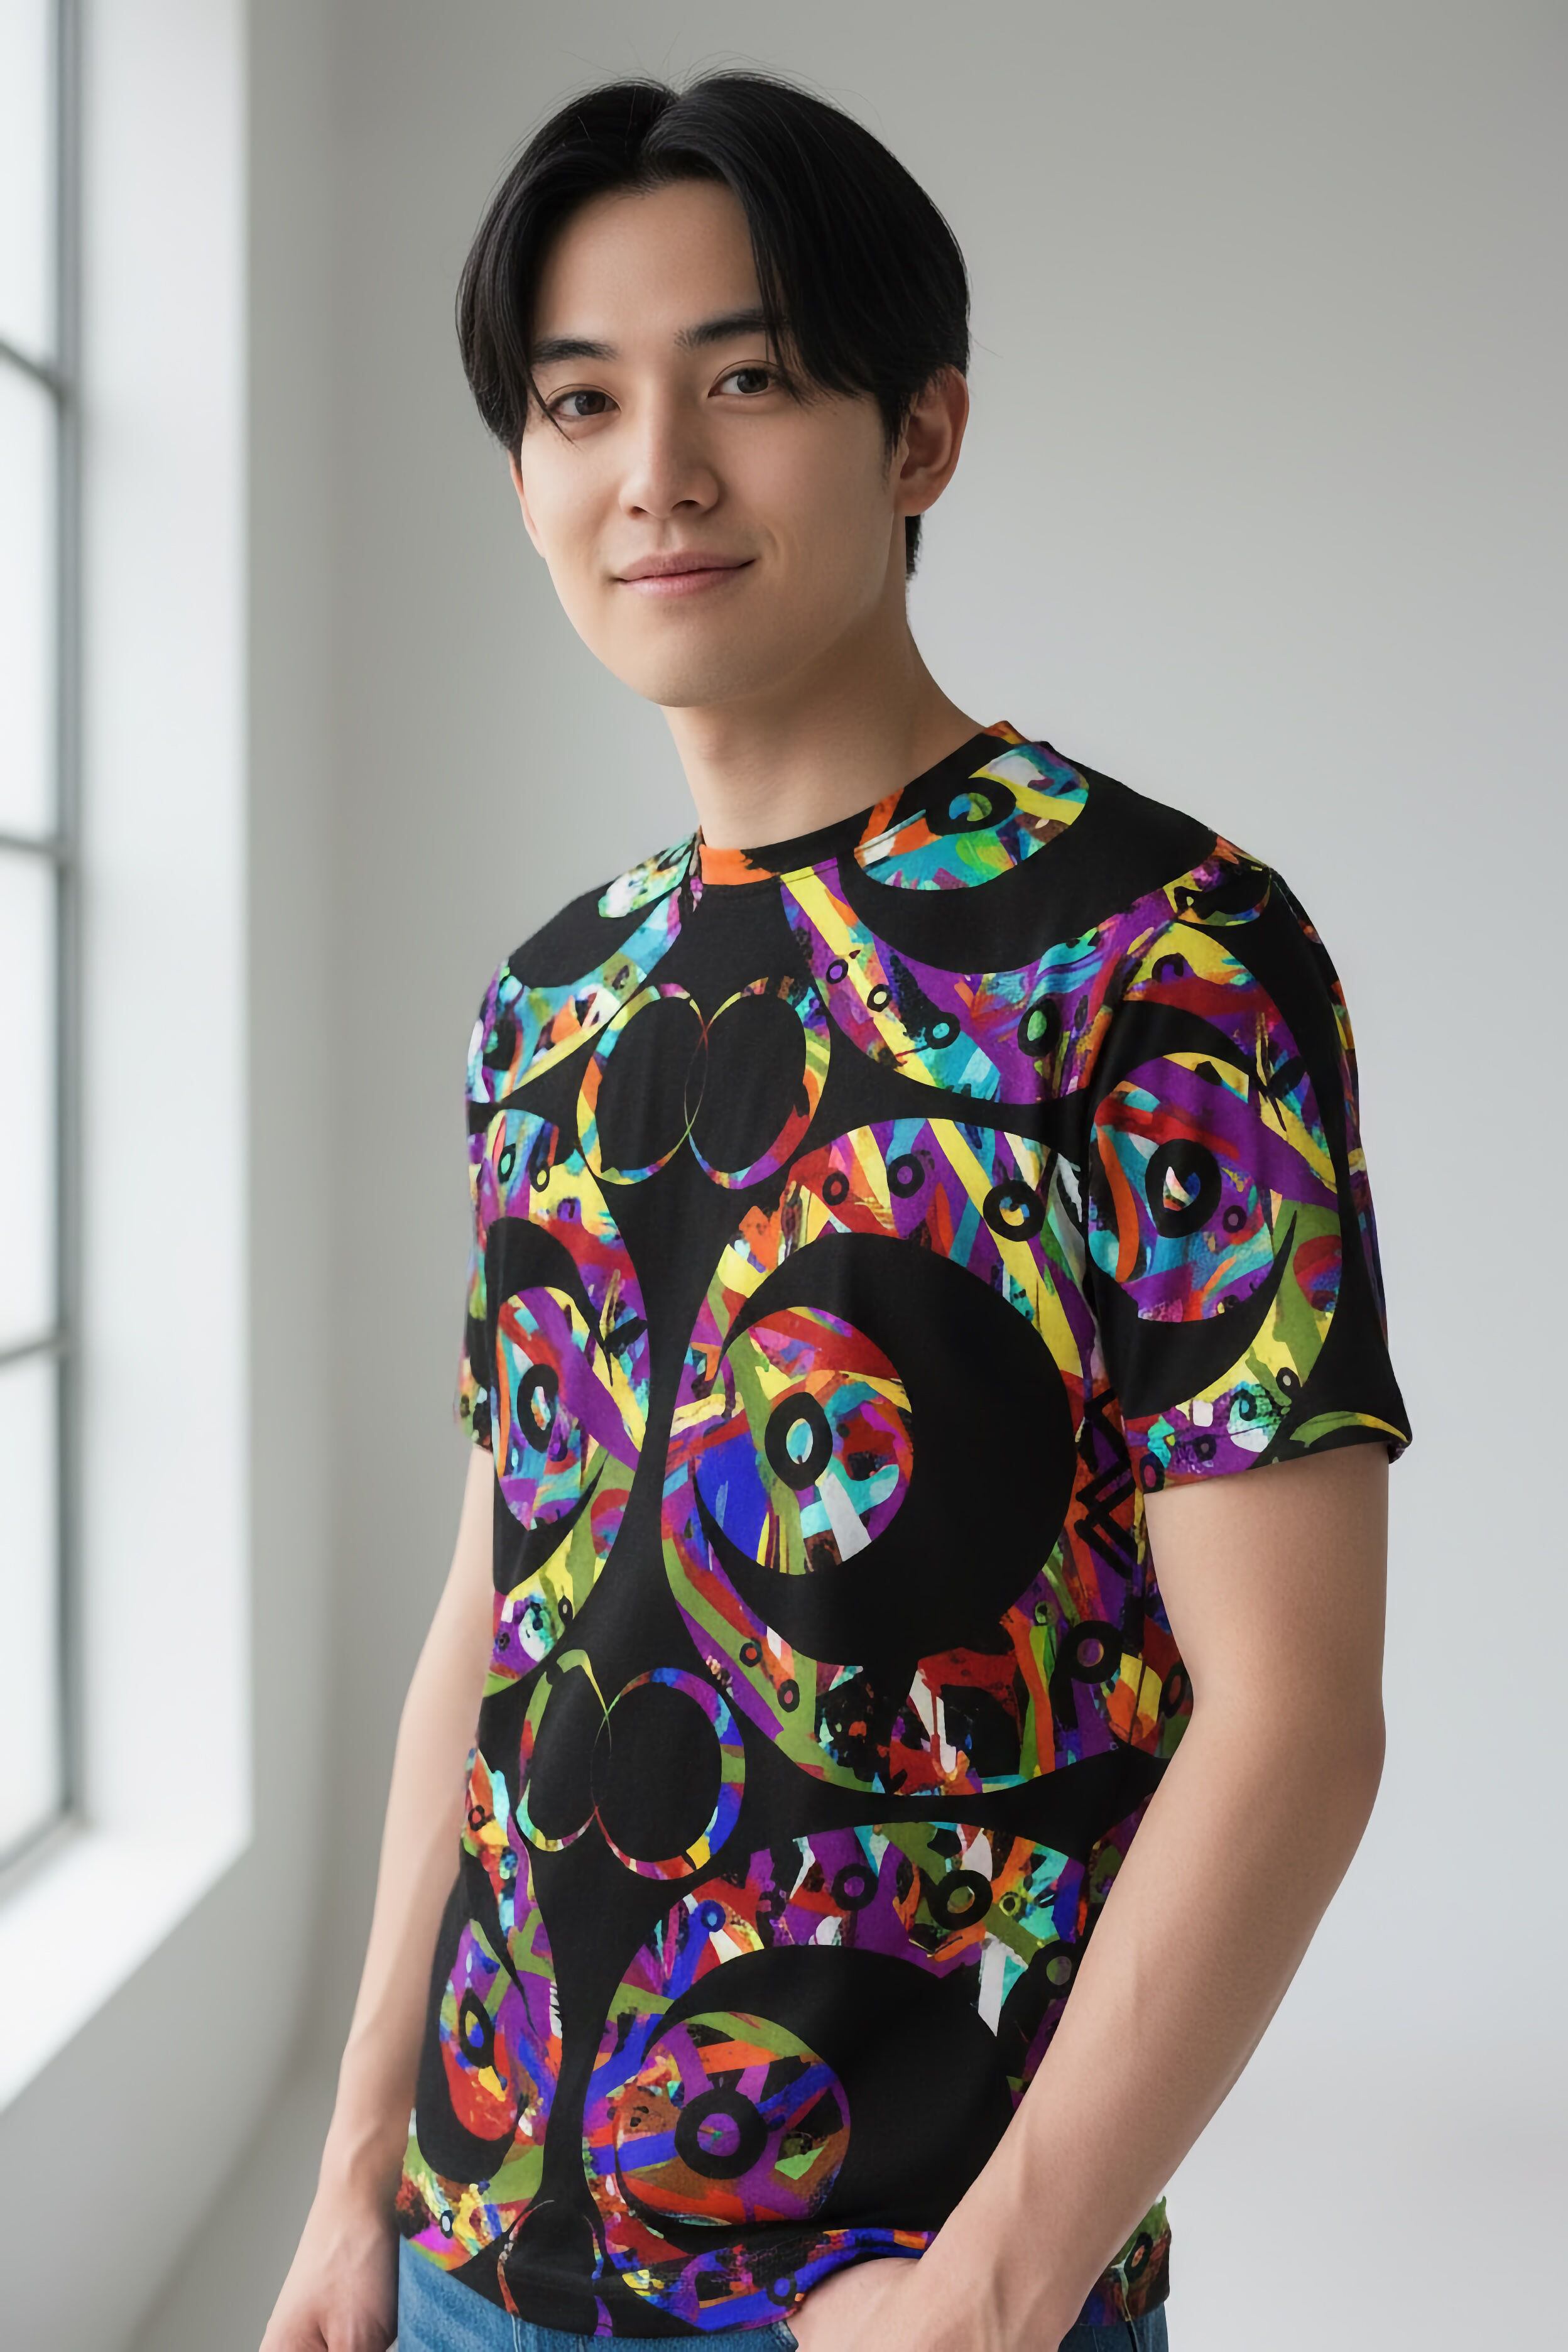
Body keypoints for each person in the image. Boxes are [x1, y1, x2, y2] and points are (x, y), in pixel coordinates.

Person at [262, 67, 1411, 2352]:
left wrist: (992, 2292)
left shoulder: (1163, 954)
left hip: (896, 2292)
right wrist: (353, 2171)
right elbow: (505, 1602)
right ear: (525, 473)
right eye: (581, 403)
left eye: (751, 378)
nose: (657, 473)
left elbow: (1299, 1714)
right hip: (472, 2264)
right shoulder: (549, 1001)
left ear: (923, 434)